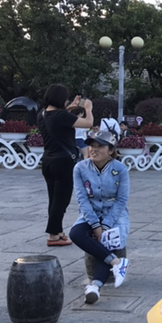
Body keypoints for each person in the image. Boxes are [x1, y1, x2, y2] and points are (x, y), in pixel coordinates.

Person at [69, 129, 130, 304]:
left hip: (115, 214)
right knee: (76, 233)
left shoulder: (120, 169)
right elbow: (82, 199)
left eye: (100, 146)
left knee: (108, 240)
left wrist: (107, 225)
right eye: (91, 146)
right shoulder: (80, 168)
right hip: (91, 212)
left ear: (110, 150)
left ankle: (95, 287)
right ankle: (116, 262)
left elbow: (121, 200)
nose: (93, 150)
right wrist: (95, 225)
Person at [38, 84, 93, 247]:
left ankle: (58, 231)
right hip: (63, 162)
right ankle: (53, 235)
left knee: (54, 199)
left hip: (48, 161)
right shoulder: (61, 116)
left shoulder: (42, 114)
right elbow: (88, 123)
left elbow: (57, 118)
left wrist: (69, 108)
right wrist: (88, 108)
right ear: (60, 98)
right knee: (61, 200)